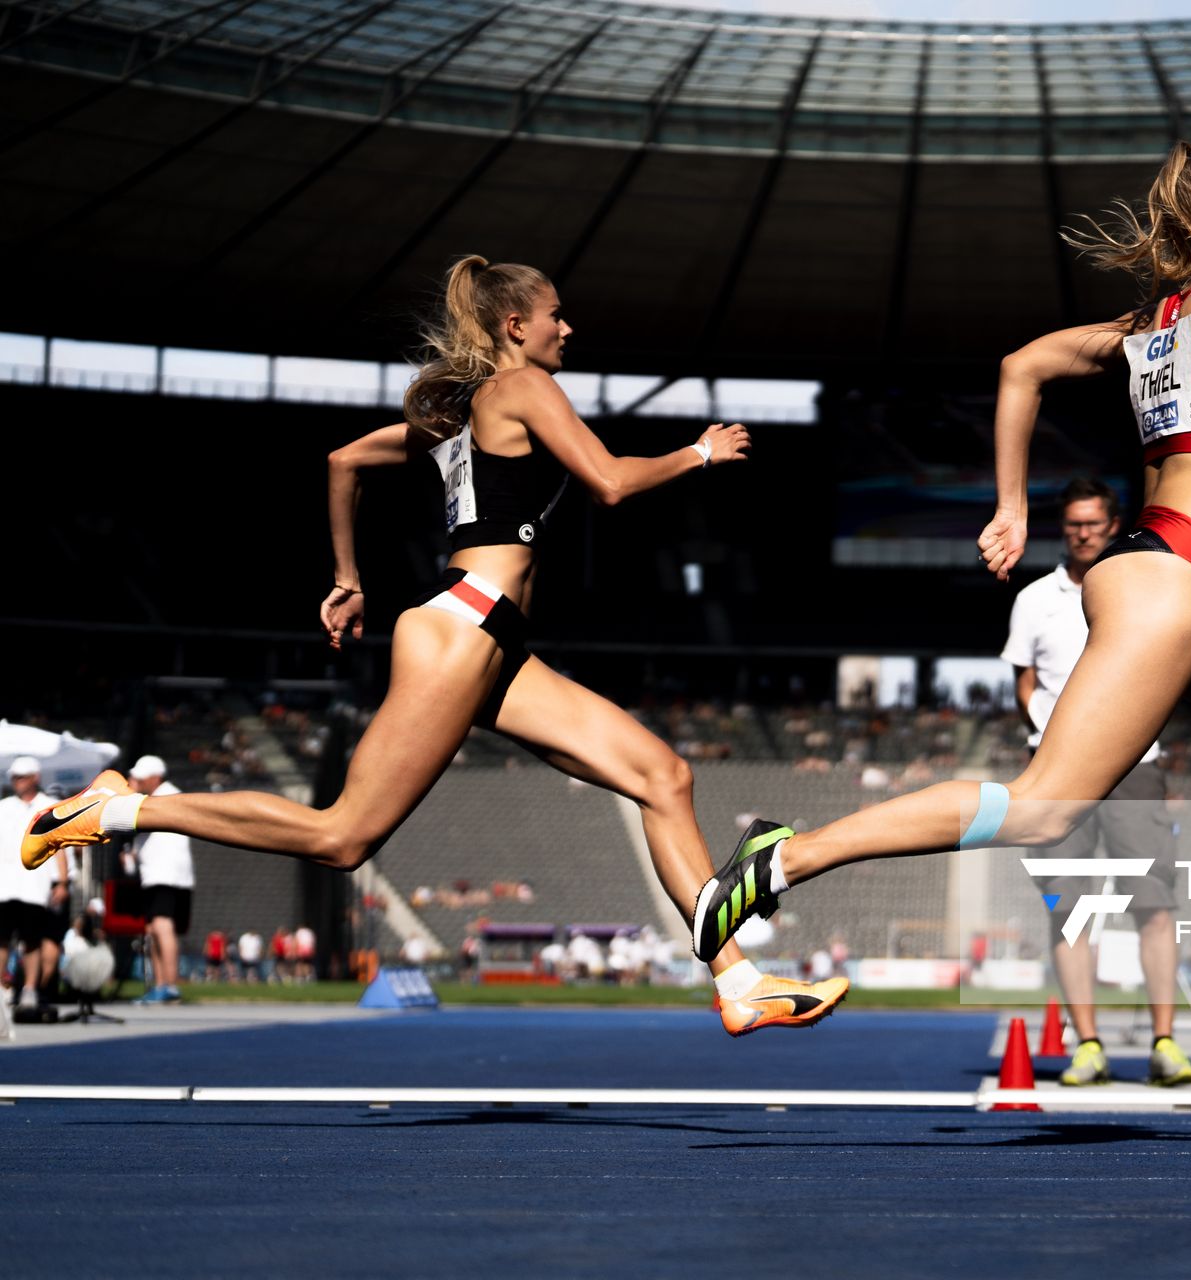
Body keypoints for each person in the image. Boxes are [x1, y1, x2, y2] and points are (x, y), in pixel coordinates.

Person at [695, 142, 1191, 1076]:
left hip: (1180, 580)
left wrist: (1012, 505)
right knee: (1037, 811)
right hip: (1168, 580)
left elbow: (1021, 364)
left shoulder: (1152, 323)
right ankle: (781, 860)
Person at [21, 254, 845, 1036]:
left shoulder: (461, 413)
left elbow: (344, 461)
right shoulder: (522, 386)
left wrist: (348, 577)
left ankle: (740, 985)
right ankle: (117, 809)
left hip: (494, 642)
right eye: (558, 316)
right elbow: (611, 481)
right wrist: (700, 452)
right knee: (342, 837)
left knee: (664, 775)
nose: (570, 328)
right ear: (517, 325)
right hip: (464, 627)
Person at [1002, 477, 1191, 1087]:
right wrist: (1057, 733)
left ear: (1114, 525)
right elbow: (1025, 682)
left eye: (1093, 523)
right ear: (1063, 529)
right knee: (1069, 912)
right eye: (1073, 524)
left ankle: (1165, 1043)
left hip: (1137, 767)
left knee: (1155, 908)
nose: (1083, 533)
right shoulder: (1035, 598)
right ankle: (1088, 1045)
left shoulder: (1145, 588)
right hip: (1058, 770)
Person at [0, 756, 70, 1020]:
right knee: (2, 939)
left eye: (22, 777)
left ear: (35, 778)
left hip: (34, 884)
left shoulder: (48, 807)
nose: (17, 782)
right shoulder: (3, 807)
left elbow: (60, 845)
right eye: (15, 777)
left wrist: (62, 881)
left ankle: (29, 989)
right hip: (4, 885)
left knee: (32, 941)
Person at [127, 755, 193, 1003]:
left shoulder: (166, 797)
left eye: (140, 778)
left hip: (166, 874)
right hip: (156, 874)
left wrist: (129, 794)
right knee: (153, 929)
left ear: (155, 778)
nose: (135, 782)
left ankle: (170, 985)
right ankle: (161, 984)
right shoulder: (153, 799)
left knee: (162, 927)